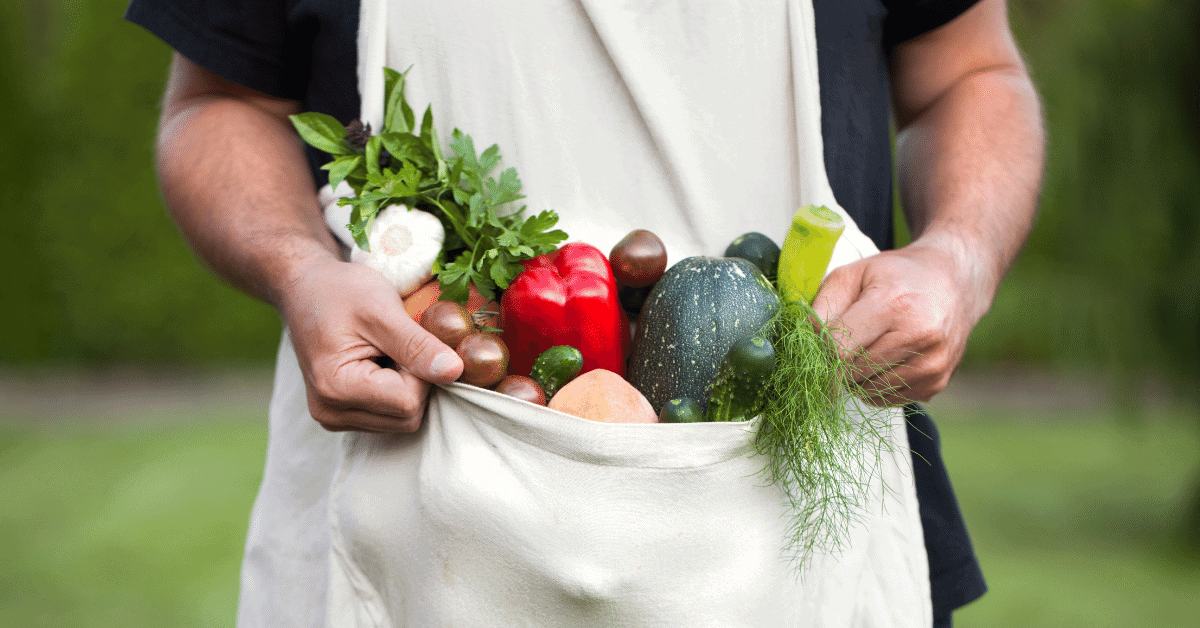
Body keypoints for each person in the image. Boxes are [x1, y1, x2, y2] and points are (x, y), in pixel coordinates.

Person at [126, 0, 1043, 625]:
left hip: (809, 521)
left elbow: (969, 74)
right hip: (405, 519)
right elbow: (217, 104)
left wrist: (957, 258)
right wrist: (298, 270)